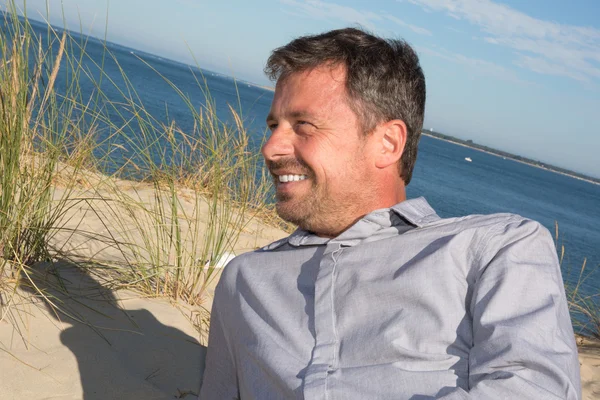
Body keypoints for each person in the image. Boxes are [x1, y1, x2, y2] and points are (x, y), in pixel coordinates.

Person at [200, 27, 581, 399]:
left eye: (303, 125)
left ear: (387, 143)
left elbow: (534, 388)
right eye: (273, 126)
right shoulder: (244, 281)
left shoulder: (494, 249)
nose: (270, 148)